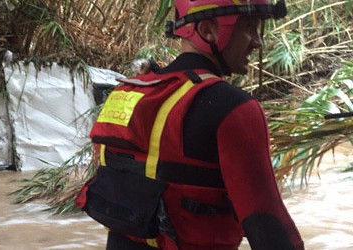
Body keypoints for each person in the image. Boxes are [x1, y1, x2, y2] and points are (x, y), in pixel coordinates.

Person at [74, 0, 304, 249]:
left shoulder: (128, 94)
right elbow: (267, 223)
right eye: (249, 27)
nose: (258, 42)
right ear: (207, 31)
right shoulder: (234, 108)